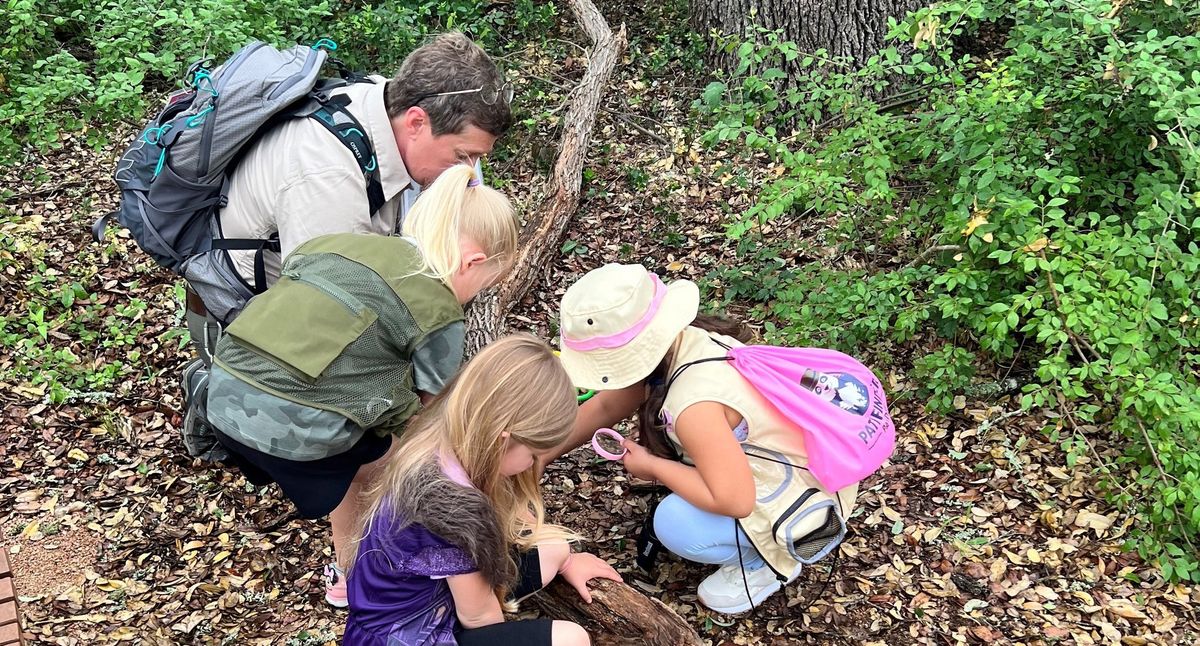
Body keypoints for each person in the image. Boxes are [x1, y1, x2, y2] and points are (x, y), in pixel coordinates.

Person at [180, 31, 513, 459]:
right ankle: (212, 389)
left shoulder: (379, 105)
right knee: (349, 432)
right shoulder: (327, 175)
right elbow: (330, 304)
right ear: (416, 122)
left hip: (294, 282)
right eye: (463, 155)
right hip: (250, 303)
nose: (470, 170)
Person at [204, 164, 518, 607]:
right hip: (290, 435)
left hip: (222, 394)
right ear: (474, 262)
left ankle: (349, 564)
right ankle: (370, 571)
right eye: (485, 285)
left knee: (365, 442)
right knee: (398, 465)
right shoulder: (440, 312)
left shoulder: (342, 245)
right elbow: (426, 418)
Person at [550, 264, 859, 614]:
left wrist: (653, 467)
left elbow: (734, 500)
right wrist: (540, 453)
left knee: (673, 522)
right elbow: (609, 403)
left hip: (801, 502)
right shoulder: (690, 341)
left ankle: (766, 562)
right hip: (808, 468)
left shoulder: (692, 406)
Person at [344, 334, 622, 646]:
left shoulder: (440, 439)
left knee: (556, 547)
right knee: (570, 639)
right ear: (502, 438)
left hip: (427, 602)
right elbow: (478, 618)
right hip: (408, 637)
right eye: (532, 455)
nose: (532, 465)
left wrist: (567, 561)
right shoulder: (450, 509)